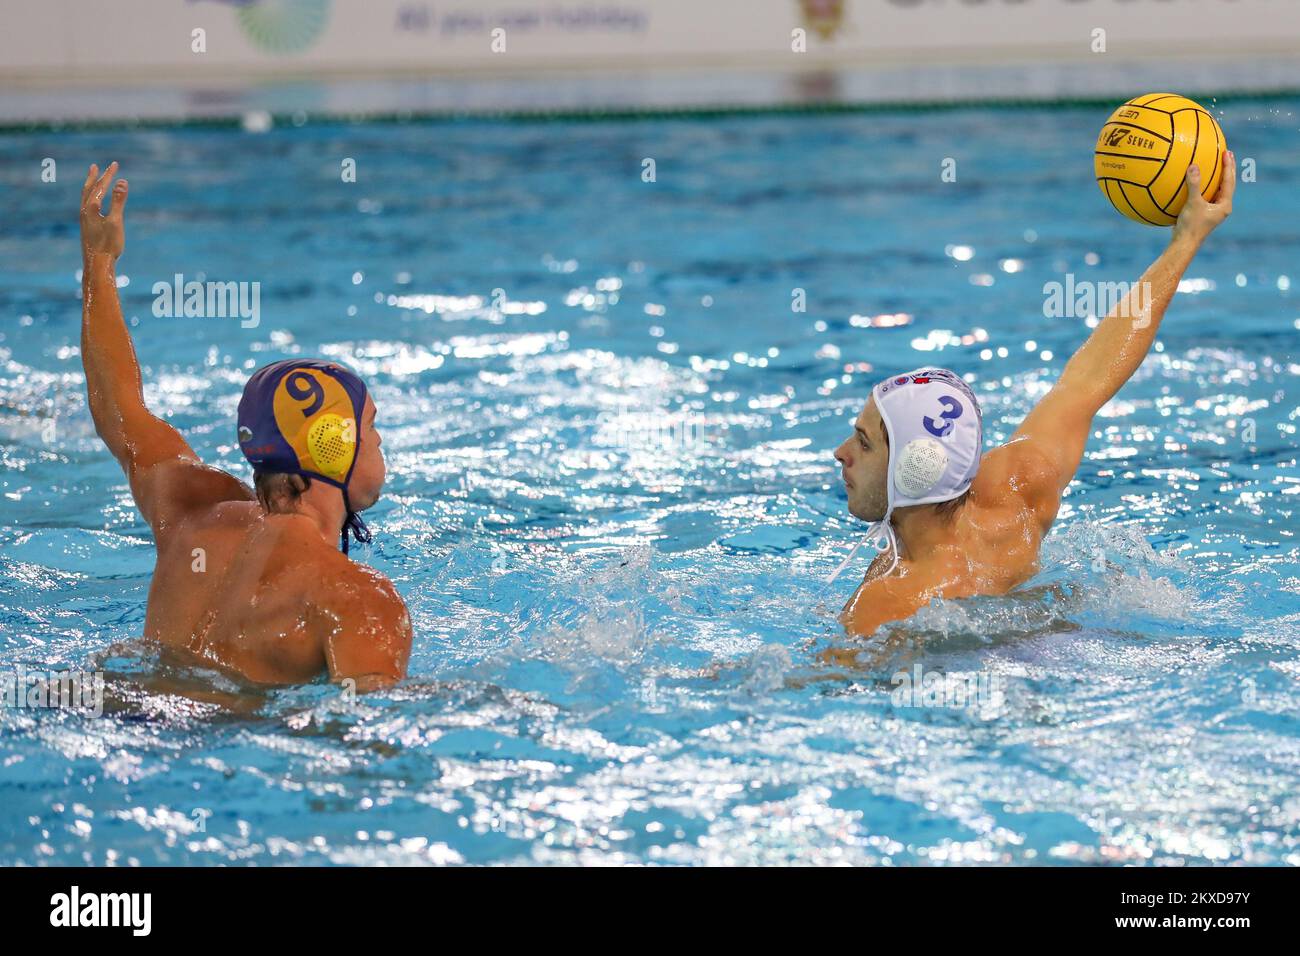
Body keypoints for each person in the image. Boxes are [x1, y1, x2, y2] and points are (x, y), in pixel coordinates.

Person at [833, 153, 1236, 638]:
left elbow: (822, 684)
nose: (842, 453)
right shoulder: (1016, 491)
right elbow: (1087, 381)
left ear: (915, 469)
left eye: (864, 442)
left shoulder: (886, 601)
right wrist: (1187, 238)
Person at [79, 162, 411, 689]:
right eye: (369, 427)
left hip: (120, 713)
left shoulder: (193, 511)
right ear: (333, 446)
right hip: (205, 756)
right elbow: (367, 740)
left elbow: (120, 412)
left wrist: (99, 262)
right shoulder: (359, 597)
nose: (377, 440)